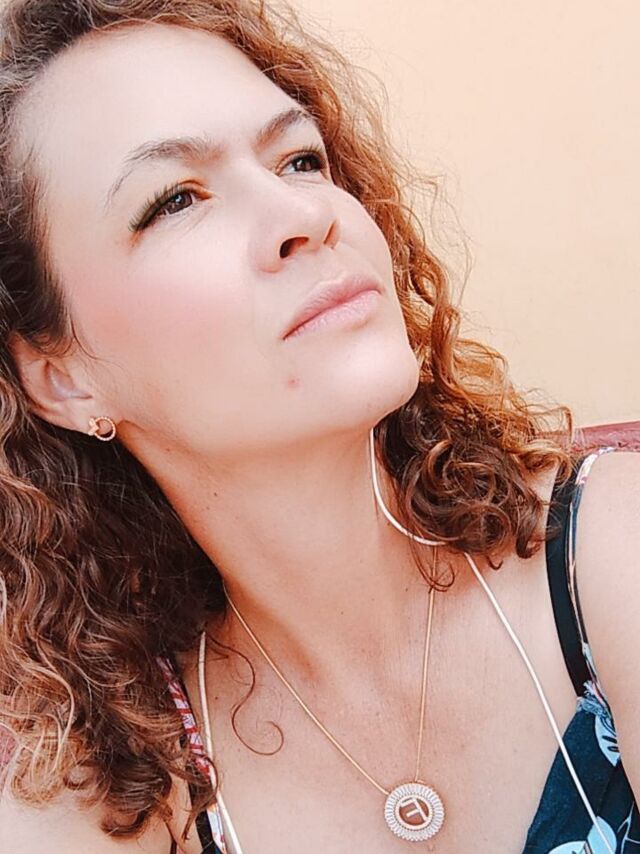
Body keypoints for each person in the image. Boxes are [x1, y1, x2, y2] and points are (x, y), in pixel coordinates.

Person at [0, 0, 638, 851]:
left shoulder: (609, 551)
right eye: (176, 200)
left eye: (300, 159)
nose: (305, 216)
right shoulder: (111, 792)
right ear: (60, 378)